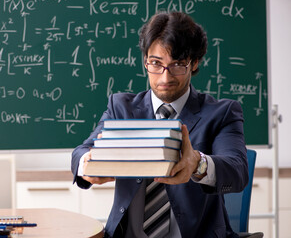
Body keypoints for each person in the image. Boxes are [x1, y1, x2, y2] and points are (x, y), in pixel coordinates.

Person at [71, 12, 248, 238]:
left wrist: (198, 164)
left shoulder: (221, 113)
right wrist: (87, 166)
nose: (165, 78)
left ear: (194, 63)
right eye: (156, 63)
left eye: (177, 65)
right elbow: (80, 153)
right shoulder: (121, 108)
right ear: (145, 60)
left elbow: (237, 170)